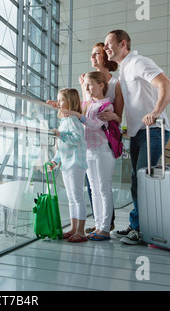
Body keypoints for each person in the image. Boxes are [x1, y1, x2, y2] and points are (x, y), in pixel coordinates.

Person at [103, 29, 170, 245]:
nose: (105, 48)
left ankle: (144, 230)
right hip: (136, 133)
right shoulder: (124, 71)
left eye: (108, 44)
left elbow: (166, 86)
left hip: (153, 131)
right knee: (137, 182)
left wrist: (155, 112)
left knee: (143, 182)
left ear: (123, 44)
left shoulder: (140, 62)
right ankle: (137, 227)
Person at [63, 72, 116, 241]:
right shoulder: (87, 104)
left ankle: (105, 229)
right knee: (93, 190)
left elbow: (94, 125)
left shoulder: (106, 105)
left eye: (90, 84)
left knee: (103, 189)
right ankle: (99, 225)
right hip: (88, 151)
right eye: (85, 85)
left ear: (101, 85)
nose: (87, 88)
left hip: (102, 151)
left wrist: (79, 115)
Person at [48, 88, 88, 243]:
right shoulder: (64, 121)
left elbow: (78, 139)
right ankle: (73, 228)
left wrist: (60, 134)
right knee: (71, 198)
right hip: (67, 164)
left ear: (71, 102)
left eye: (61, 100)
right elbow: (62, 147)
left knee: (77, 197)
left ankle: (81, 231)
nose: (59, 103)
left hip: (76, 163)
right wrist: (55, 161)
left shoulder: (72, 120)